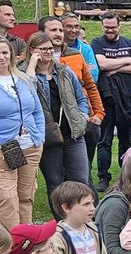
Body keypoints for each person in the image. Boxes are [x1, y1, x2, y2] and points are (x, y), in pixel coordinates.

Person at [25, 32, 90, 199]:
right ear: (32, 50)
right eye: (44, 49)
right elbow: (27, 97)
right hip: (48, 137)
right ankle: (60, 215)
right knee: (55, 183)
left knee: (81, 181)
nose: (49, 52)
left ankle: (81, 214)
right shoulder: (23, 74)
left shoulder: (64, 71)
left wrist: (82, 117)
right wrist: (31, 68)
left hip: (73, 134)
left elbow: (80, 98)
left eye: (51, 48)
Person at [90, 15, 131, 192]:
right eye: (107, 27)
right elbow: (101, 64)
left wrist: (116, 68)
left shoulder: (130, 43)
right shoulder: (97, 43)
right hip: (106, 99)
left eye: (113, 27)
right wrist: (127, 60)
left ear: (119, 26)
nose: (110, 30)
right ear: (102, 26)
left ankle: (126, 176)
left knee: (126, 139)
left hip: (127, 98)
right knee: (104, 140)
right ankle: (103, 177)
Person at [0, 37, 44, 230]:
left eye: (4, 52)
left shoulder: (24, 79)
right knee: (7, 198)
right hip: (5, 148)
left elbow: (37, 111)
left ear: (11, 54)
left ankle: (26, 239)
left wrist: (40, 136)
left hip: (30, 145)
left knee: (26, 195)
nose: (1, 57)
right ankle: (11, 241)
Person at [56, 13, 103, 173]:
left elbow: (93, 77)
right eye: (69, 26)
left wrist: (99, 113)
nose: (73, 30)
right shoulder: (51, 52)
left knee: (87, 152)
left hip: (85, 109)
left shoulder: (84, 49)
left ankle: (85, 175)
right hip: (63, 113)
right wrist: (78, 75)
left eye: (76, 26)